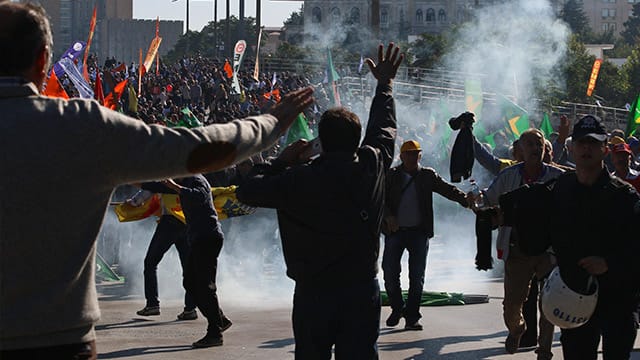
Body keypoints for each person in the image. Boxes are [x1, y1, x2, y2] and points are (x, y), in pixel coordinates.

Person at [0, 3, 313, 358]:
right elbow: (194, 150)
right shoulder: (80, 126)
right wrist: (268, 124)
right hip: (59, 338)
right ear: (43, 60)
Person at [236, 43, 403, 359]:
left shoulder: (298, 178)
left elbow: (248, 191)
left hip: (315, 294)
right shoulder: (372, 165)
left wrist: (280, 162)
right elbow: (383, 131)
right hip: (360, 290)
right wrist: (385, 85)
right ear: (356, 141)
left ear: (319, 142)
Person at [505, 115, 640, 359]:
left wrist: (609, 263)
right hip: (573, 300)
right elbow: (533, 228)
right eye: (581, 142)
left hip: (618, 298)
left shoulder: (624, 197)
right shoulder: (559, 189)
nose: (586, 148)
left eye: (593, 143)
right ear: (572, 147)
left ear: (605, 149)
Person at [478, 129, 564, 359]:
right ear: (520, 150)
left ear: (545, 148)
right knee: (511, 306)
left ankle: (544, 350)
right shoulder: (509, 176)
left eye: (539, 144)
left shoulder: (559, 177)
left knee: (547, 302)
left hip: (548, 252)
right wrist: (473, 197)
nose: (535, 148)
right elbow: (487, 199)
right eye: (530, 144)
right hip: (517, 250)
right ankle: (517, 329)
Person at [382, 140, 469, 330]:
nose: (413, 157)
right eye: (409, 154)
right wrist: (388, 216)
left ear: (420, 156)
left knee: (417, 276)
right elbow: (380, 199)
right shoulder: (392, 175)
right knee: (389, 273)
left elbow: (448, 190)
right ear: (401, 156)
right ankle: (397, 308)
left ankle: (412, 316)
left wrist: (467, 201)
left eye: (416, 154)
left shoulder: (427, 175)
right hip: (395, 232)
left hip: (418, 233)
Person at [144, 176, 232, 347]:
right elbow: (154, 185)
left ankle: (215, 332)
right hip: (198, 238)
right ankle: (219, 319)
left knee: (205, 286)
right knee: (190, 282)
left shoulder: (196, 180)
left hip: (207, 237)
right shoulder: (184, 181)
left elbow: (199, 195)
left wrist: (176, 186)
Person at [125, 188, 197, 320]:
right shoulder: (191, 178)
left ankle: (152, 304)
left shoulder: (166, 178)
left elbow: (150, 188)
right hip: (187, 223)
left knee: (150, 263)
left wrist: (134, 201)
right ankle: (190, 308)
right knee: (188, 268)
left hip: (169, 224)